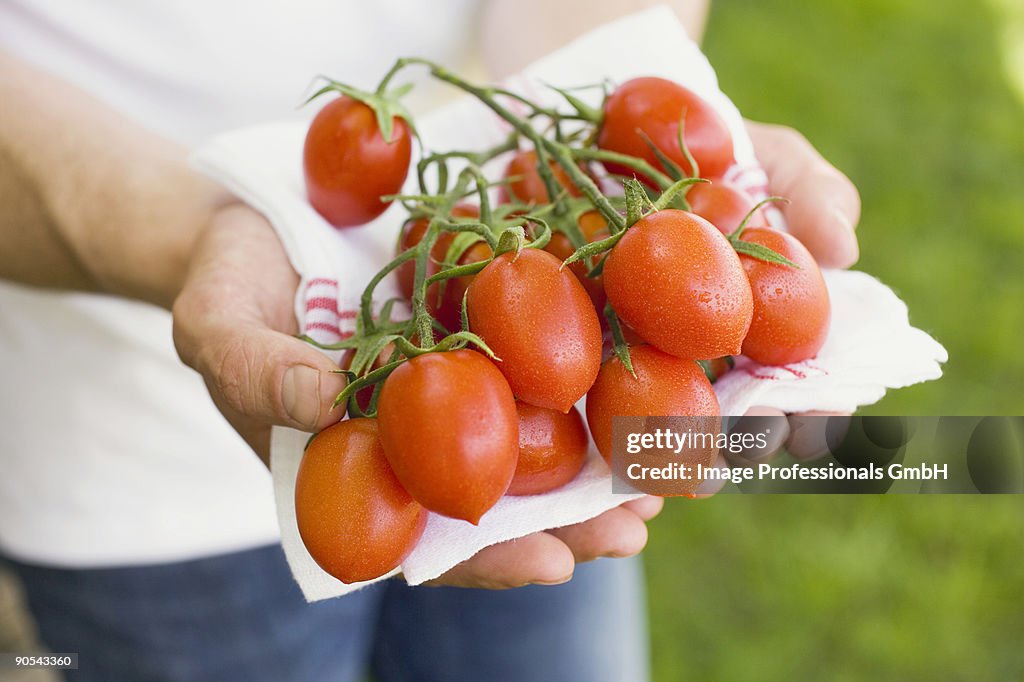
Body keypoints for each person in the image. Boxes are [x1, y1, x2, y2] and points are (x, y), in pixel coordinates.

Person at [0, 0, 860, 679]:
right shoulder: (481, 292)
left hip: (512, 468)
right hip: (126, 485)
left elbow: (574, 370)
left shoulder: (505, 277)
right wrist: (186, 236)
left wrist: (605, 82)